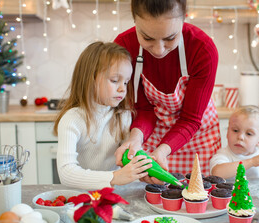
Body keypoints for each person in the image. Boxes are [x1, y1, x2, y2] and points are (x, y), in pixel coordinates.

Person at [114, 0, 221, 179]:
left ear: (184, 18)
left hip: (198, 139)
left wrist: (162, 151)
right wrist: (135, 140)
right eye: (147, 38)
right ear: (134, 21)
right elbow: (144, 109)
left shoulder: (202, 49)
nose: (159, 49)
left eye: (170, 38)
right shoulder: (125, 46)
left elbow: (191, 118)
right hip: (151, 135)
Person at [53, 42, 152, 190]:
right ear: (90, 79)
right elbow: (67, 173)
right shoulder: (72, 120)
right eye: (114, 80)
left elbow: (127, 159)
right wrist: (115, 177)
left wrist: (144, 169)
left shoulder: (123, 116)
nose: (122, 89)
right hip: (81, 196)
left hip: (115, 193)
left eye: (126, 82)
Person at [210, 105, 259, 180]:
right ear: (227, 133)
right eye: (235, 130)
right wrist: (251, 162)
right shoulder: (223, 155)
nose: (240, 137)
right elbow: (217, 173)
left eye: (249, 134)